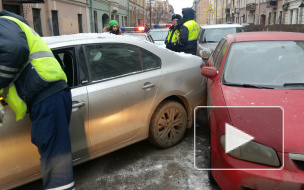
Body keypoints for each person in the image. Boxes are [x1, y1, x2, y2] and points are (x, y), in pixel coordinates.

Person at [0, 10, 74, 190]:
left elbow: (15, 49)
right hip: (50, 95)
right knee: (55, 159)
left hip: (46, 97)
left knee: (56, 165)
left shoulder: (3, 24)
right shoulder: (14, 25)